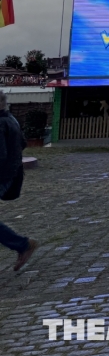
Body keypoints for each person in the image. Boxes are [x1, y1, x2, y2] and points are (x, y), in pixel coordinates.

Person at [0, 93, 38, 271]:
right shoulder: (11, 119)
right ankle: (22, 245)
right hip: (11, 174)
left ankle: (23, 244)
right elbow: (22, 143)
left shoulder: (1, 123)